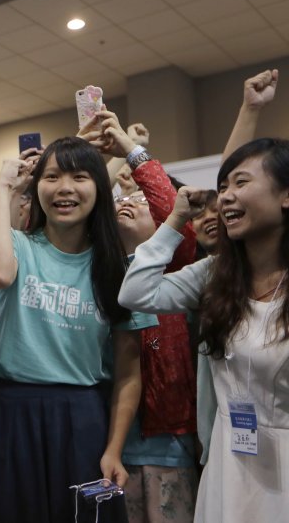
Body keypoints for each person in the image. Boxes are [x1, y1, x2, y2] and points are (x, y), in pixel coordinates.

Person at [0, 136, 156, 523]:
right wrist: (3, 187)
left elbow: (129, 373)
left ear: (99, 188)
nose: (64, 188)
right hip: (10, 413)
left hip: (82, 417)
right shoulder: (18, 245)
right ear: (37, 188)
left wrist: (114, 448)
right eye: (51, 177)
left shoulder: (116, 268)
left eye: (79, 176)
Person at [119, 137, 289, 522]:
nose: (226, 196)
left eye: (241, 183)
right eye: (224, 186)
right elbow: (136, 292)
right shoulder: (214, 274)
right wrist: (176, 219)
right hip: (228, 455)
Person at [100, 112, 199, 523]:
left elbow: (167, 201)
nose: (127, 204)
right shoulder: (98, 272)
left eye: (138, 203)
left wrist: (130, 149)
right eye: (122, 200)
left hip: (168, 444)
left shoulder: (176, 269)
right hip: (106, 444)